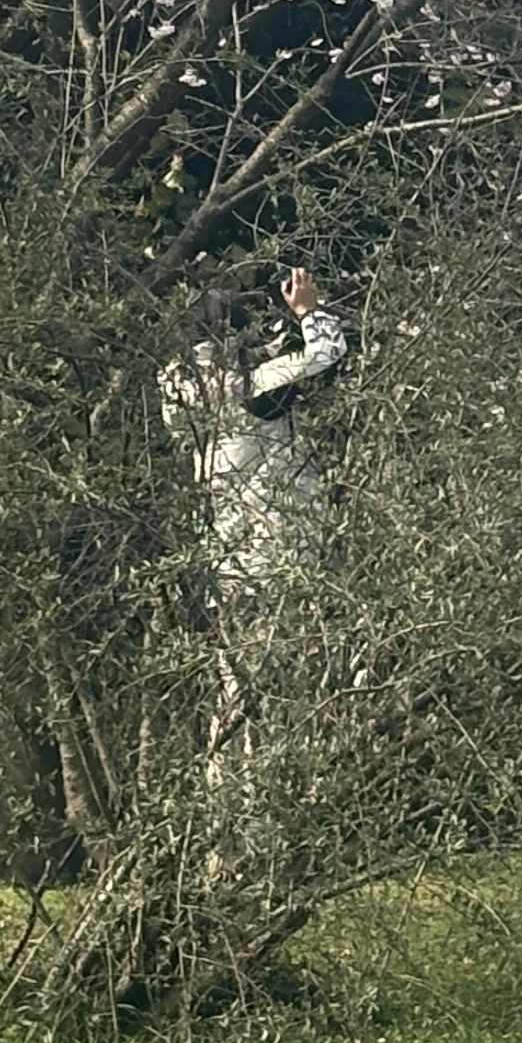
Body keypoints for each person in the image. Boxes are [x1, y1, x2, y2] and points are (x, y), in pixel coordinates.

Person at [157, 263, 347, 807]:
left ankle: (228, 803)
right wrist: (308, 312)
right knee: (286, 685)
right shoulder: (254, 385)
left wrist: (267, 347)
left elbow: (234, 374)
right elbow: (325, 358)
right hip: (279, 549)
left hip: (223, 558)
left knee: (230, 684)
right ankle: (273, 804)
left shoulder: (177, 385)